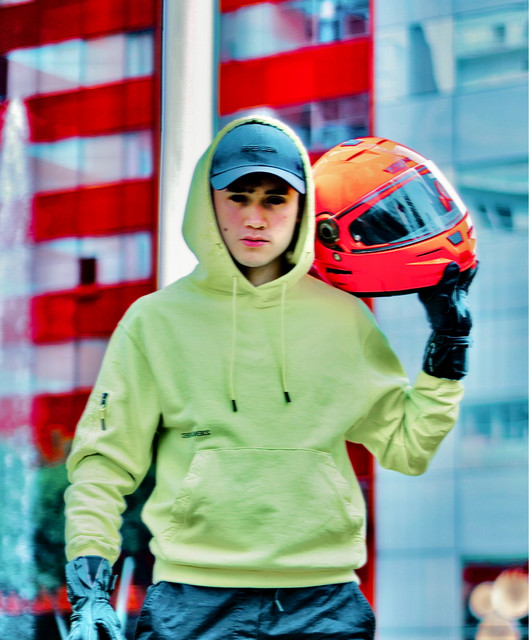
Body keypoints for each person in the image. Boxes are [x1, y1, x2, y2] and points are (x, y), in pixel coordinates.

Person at [63, 116, 476, 640]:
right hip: (191, 603)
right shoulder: (154, 321)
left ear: (302, 208)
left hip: (323, 604)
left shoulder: (344, 318)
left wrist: (449, 341)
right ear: (208, 203)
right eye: (238, 197)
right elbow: (102, 466)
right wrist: (90, 591)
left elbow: (408, 447)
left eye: (275, 199)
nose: (255, 218)